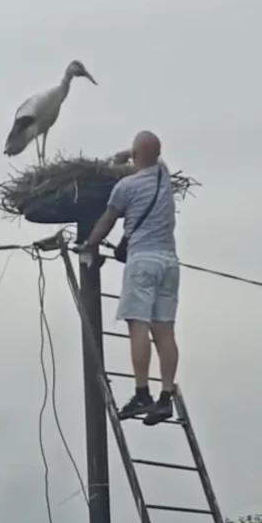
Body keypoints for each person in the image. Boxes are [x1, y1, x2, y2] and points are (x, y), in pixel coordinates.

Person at [82, 131, 179, 425]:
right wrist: (138, 153)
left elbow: (107, 222)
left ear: (136, 156)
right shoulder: (164, 178)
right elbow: (152, 157)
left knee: (138, 327)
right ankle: (166, 398)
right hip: (170, 264)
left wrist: (90, 244)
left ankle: (141, 393)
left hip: (143, 263)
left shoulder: (126, 186)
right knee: (164, 332)